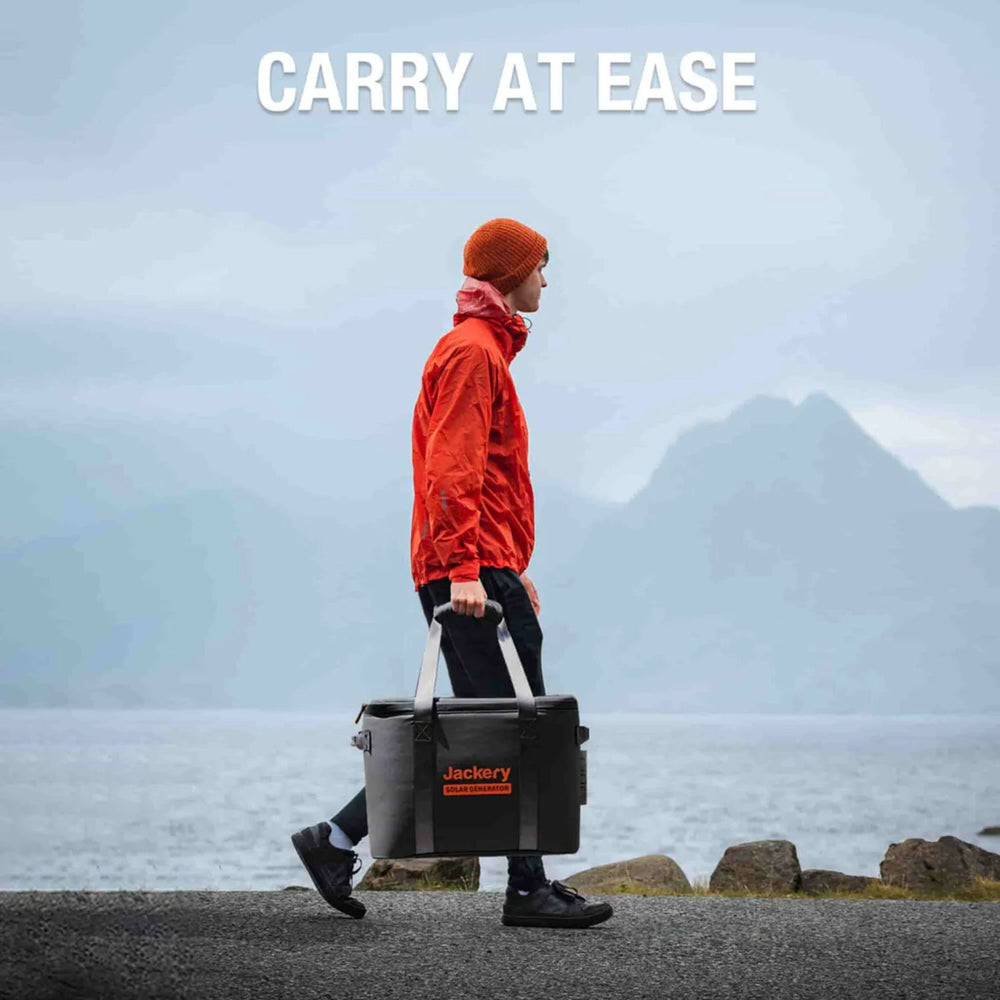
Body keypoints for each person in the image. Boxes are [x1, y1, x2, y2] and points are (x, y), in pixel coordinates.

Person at [291, 218, 612, 929]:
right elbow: (452, 469)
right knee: (515, 730)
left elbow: (484, 478)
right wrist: (470, 570)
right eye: (540, 266)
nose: (546, 280)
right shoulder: (472, 352)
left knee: (482, 732)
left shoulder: (480, 348)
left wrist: (508, 567)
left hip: (480, 566)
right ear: (511, 273)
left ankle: (336, 839)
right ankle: (525, 890)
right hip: (466, 573)